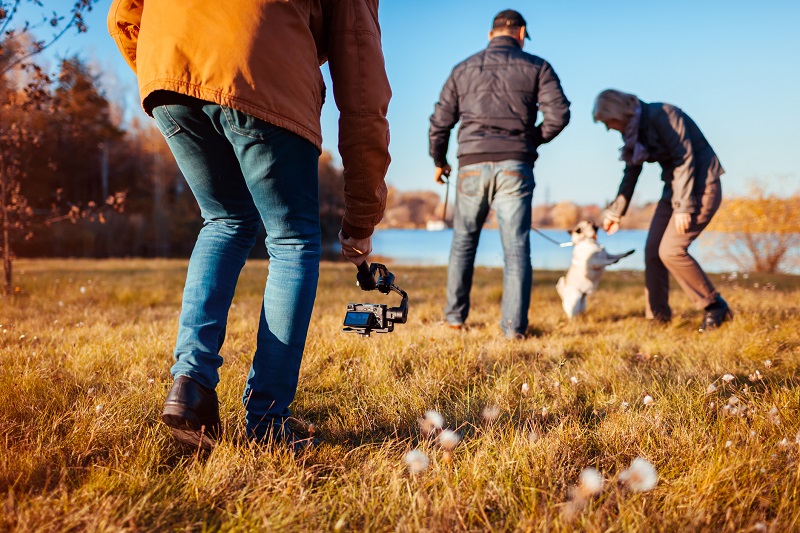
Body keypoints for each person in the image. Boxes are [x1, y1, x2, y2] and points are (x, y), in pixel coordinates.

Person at [108, 0, 391, 449]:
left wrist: (163, 74)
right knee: (294, 240)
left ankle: (191, 384)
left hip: (169, 66)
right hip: (261, 72)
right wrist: (361, 217)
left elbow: (124, 15)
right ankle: (268, 421)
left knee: (224, 219)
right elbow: (362, 91)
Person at [429, 9, 570, 339]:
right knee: (516, 249)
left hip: (471, 166)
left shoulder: (462, 69)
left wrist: (439, 160)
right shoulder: (538, 67)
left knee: (463, 242)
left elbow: (440, 123)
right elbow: (559, 114)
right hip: (515, 166)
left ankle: (453, 320)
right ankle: (513, 330)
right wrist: (529, 139)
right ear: (521, 33)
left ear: (491, 34)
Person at [593, 89, 732, 331]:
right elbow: (631, 171)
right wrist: (616, 211)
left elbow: (685, 158)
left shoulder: (664, 115)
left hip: (702, 187)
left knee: (671, 250)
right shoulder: (634, 133)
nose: (608, 128)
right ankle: (658, 318)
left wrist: (684, 206)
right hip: (674, 190)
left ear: (617, 111)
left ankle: (715, 306)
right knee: (652, 251)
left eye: (607, 122)